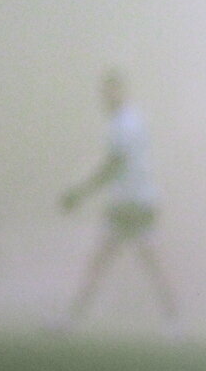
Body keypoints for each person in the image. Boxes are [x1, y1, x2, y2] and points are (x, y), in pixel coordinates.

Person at [58, 70, 180, 334]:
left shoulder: (125, 124)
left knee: (143, 264)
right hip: (131, 202)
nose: (107, 96)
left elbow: (113, 164)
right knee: (108, 263)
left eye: (112, 90)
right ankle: (71, 320)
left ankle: (173, 324)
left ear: (121, 91)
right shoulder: (125, 121)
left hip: (133, 204)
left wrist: (79, 193)